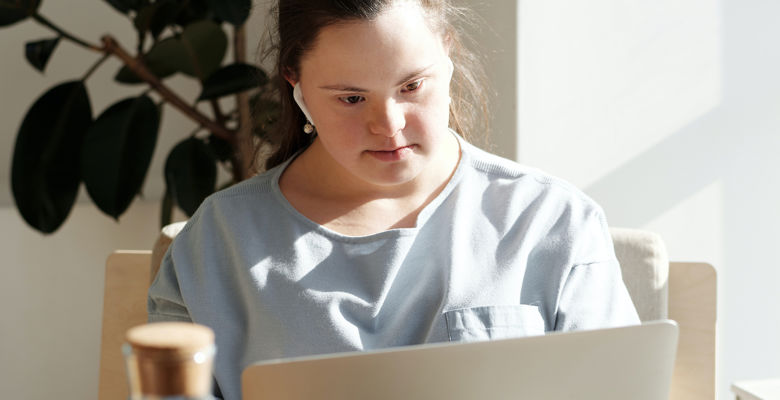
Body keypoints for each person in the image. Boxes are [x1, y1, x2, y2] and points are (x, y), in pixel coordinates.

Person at [148, 0, 640, 399]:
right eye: (350, 98)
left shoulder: (550, 222)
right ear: (295, 82)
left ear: (447, 53)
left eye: (411, 86)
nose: (389, 125)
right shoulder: (219, 241)